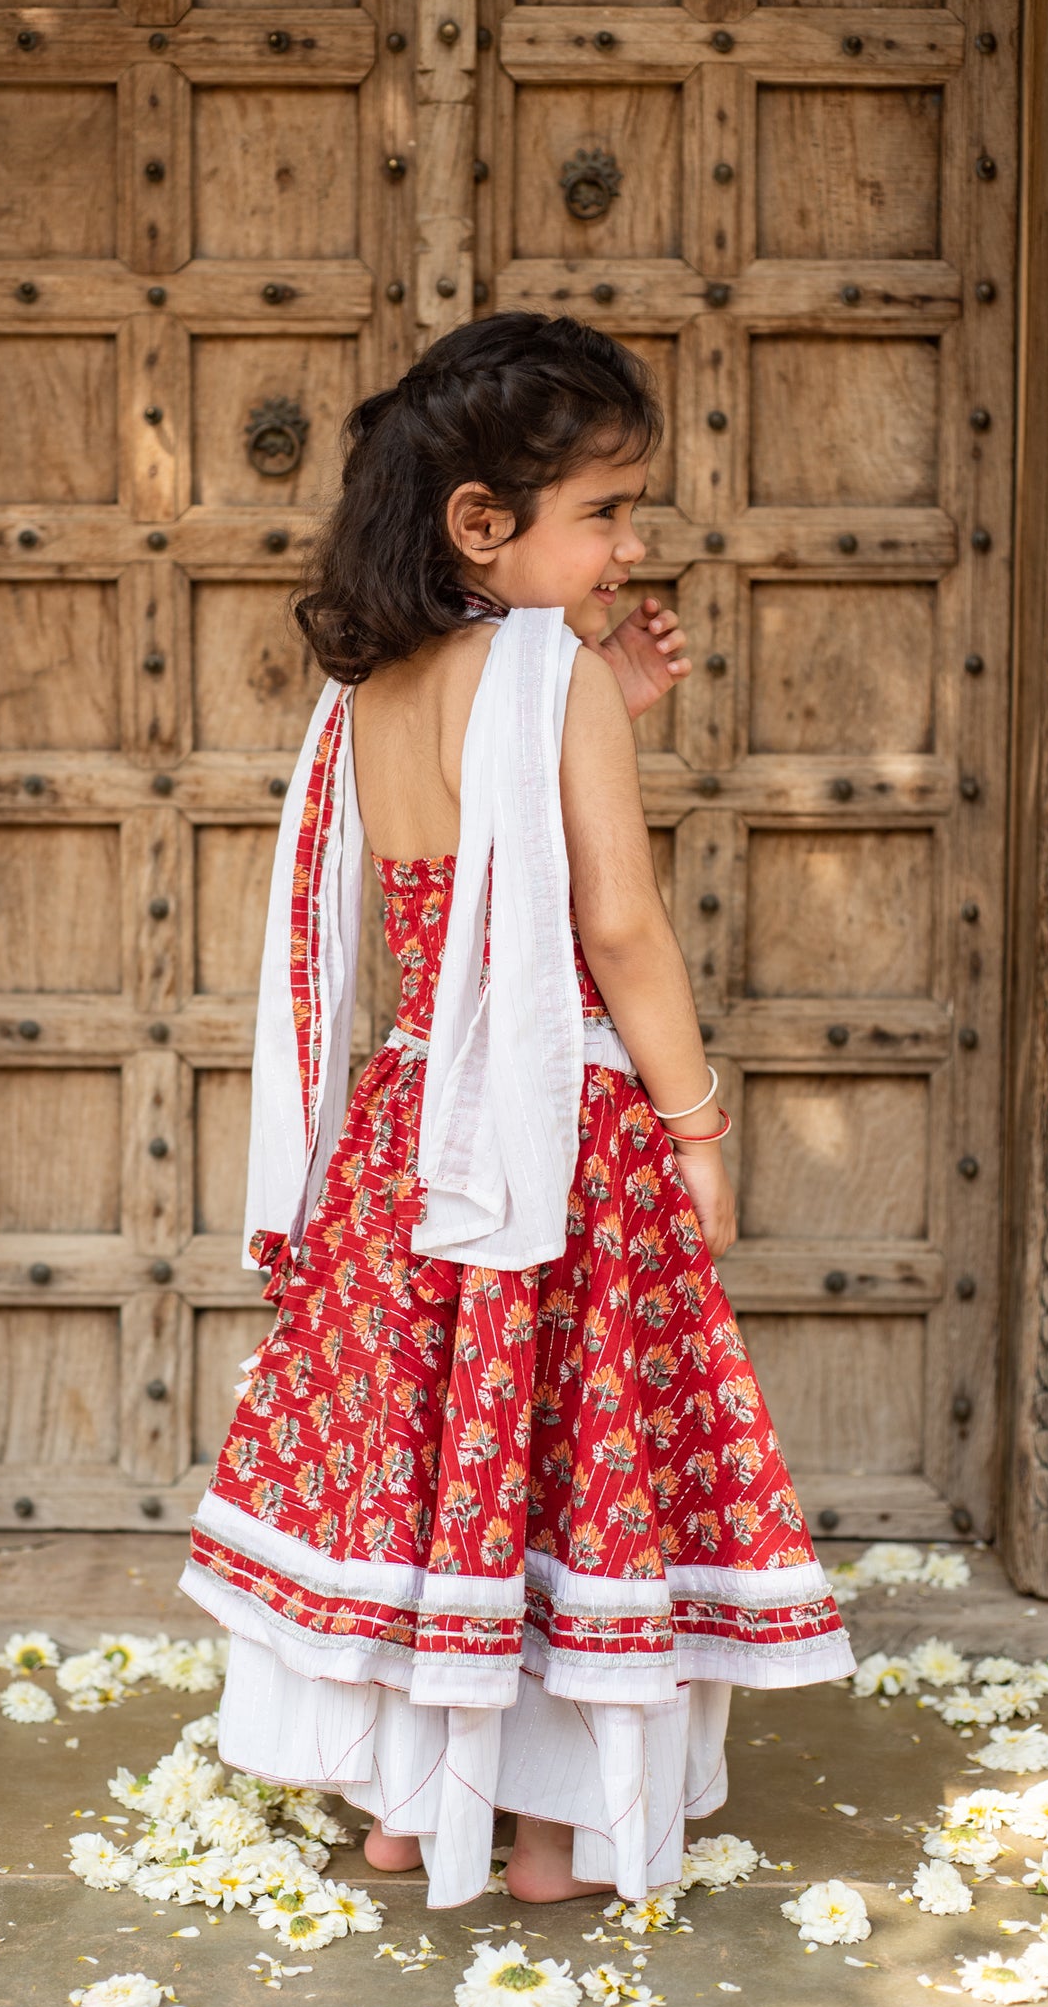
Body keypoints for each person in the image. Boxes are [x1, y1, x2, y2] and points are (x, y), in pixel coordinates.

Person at [180, 312, 855, 1910]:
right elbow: (608, 923)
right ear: (481, 521)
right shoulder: (539, 667)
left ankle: (418, 1807)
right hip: (563, 1140)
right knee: (564, 1456)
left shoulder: (375, 684)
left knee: (436, 1458)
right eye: (607, 512)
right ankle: (548, 1831)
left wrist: (599, 711)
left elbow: (480, 850)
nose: (633, 545)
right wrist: (696, 1123)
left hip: (414, 1129)